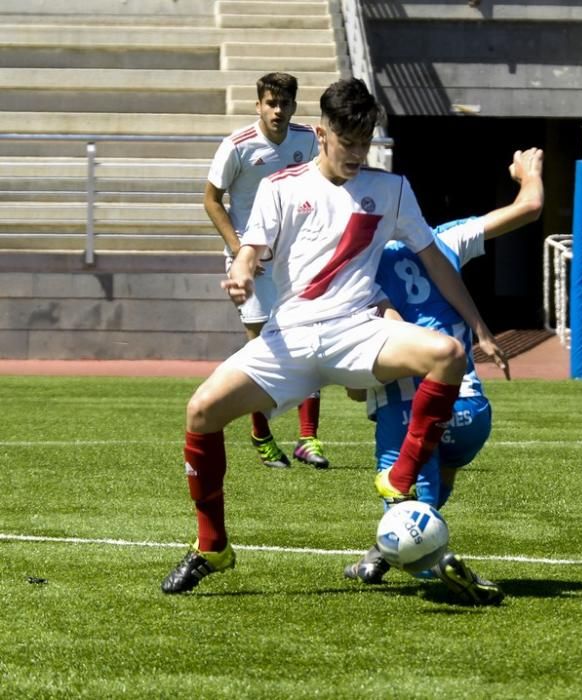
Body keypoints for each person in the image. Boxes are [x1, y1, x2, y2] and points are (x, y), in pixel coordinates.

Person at [161, 77, 507, 595]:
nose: (357, 152)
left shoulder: (392, 190)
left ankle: (399, 476)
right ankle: (212, 546)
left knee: (447, 354)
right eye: (348, 141)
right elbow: (253, 250)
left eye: (365, 141)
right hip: (291, 339)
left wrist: (478, 323)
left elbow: (434, 259)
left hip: (356, 333)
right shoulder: (283, 187)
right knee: (200, 411)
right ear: (322, 134)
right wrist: (241, 272)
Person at [343, 147, 545, 604]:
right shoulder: (446, 238)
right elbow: (530, 208)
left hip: (410, 407)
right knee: (438, 476)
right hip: (471, 409)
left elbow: (368, 369)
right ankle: (380, 553)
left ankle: (441, 571)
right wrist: (527, 172)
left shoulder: (358, 266)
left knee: (405, 497)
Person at [204, 72, 329, 469]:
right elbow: (211, 200)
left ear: (294, 106)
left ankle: (308, 439)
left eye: (285, 103)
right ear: (258, 105)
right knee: (265, 351)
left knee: (312, 342)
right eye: (271, 103)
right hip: (251, 264)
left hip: (294, 261)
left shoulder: (308, 140)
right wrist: (242, 251)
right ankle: (261, 435)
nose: (278, 110)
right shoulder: (237, 146)